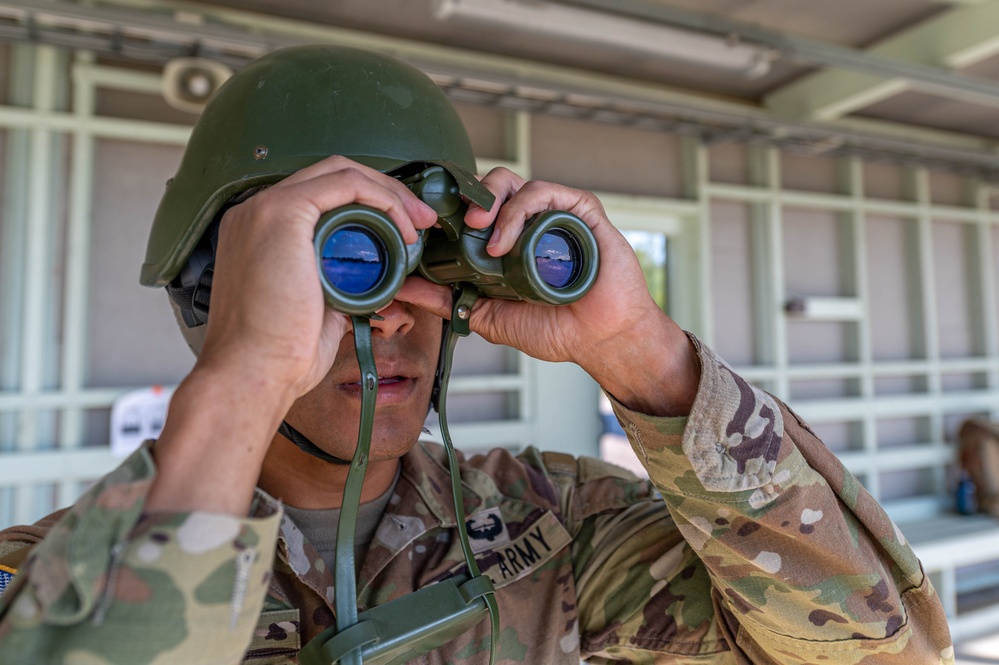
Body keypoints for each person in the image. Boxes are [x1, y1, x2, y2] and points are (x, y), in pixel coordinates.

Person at [0, 45, 953, 665]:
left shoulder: (560, 525)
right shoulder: (37, 580)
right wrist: (243, 377)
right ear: (214, 289)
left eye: (426, 265)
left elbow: (886, 653)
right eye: (345, 260)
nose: (392, 317)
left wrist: (642, 352)